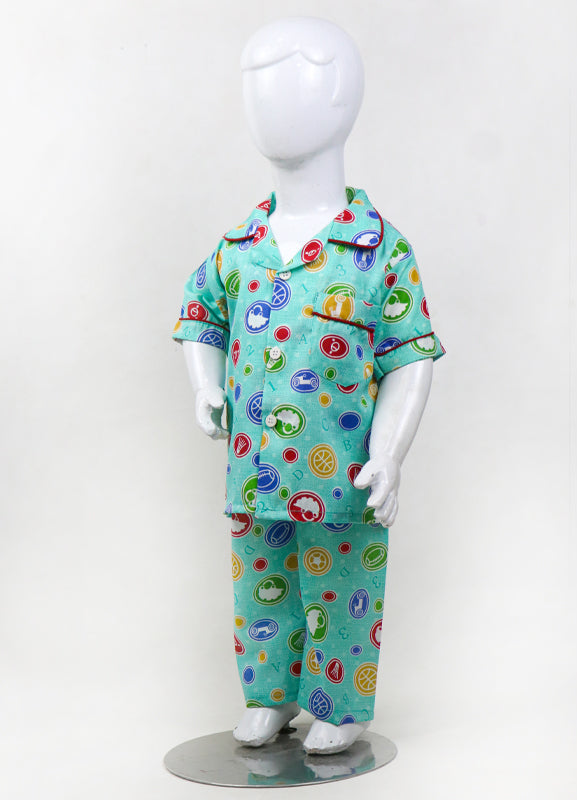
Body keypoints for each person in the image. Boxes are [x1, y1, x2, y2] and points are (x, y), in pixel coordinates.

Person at [173, 16, 444, 755]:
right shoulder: (239, 246)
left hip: (340, 475)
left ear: (338, 98)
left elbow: (410, 355)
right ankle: (270, 695)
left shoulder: (379, 250)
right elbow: (201, 317)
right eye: (255, 86)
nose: (265, 103)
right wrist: (204, 385)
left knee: (341, 589)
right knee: (259, 588)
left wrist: (389, 454)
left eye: (284, 83)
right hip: (253, 469)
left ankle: (341, 704)